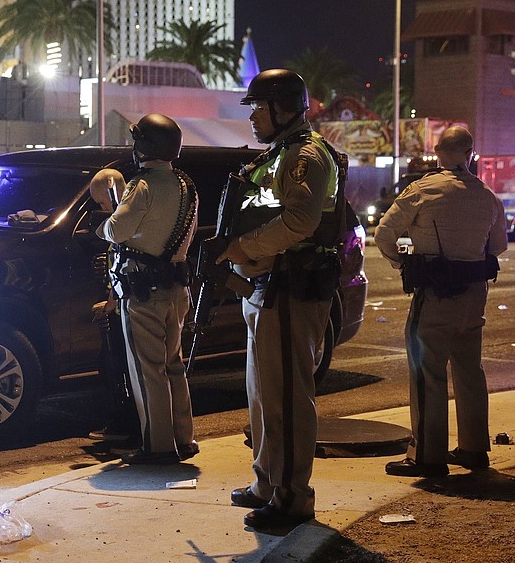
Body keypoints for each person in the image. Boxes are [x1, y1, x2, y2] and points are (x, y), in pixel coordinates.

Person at [217, 69, 341, 532]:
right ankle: (267, 482)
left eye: (258, 108)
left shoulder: (306, 156)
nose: (252, 117)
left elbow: (300, 222)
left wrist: (241, 249)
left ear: (283, 109)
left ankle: (293, 497)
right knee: (263, 393)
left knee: (287, 396)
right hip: (266, 285)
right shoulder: (278, 155)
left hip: (293, 285)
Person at [374, 125, 507, 477]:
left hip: (434, 292)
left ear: (436, 151)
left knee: (427, 372)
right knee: (469, 371)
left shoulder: (422, 191)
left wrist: (401, 259)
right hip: (474, 295)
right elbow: (497, 248)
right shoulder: (487, 196)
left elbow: (384, 233)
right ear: (471, 153)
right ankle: (474, 449)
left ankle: (428, 457)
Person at [96, 114, 199, 464]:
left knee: (147, 370)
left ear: (144, 146)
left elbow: (117, 230)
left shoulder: (141, 185)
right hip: (176, 289)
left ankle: (157, 447)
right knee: (174, 365)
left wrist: (107, 220)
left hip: (143, 290)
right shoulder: (187, 185)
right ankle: (183, 439)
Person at [89, 166, 142, 447]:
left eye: (102, 201)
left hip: (129, 306)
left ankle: (129, 424)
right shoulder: (123, 215)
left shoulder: (126, 217)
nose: (102, 207)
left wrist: (110, 303)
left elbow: (126, 266)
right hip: (125, 304)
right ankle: (128, 423)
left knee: (122, 368)